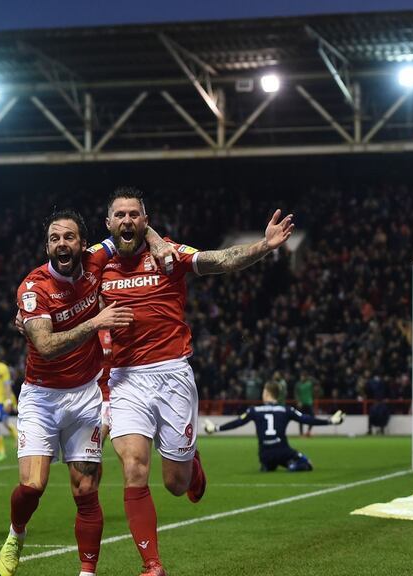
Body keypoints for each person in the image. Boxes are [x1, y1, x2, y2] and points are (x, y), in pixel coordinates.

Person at [100, 187, 293, 576]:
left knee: (175, 483)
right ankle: (152, 565)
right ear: (109, 223)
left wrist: (265, 245)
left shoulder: (169, 255)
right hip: (125, 380)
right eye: (119, 214)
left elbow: (219, 260)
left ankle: (192, 463)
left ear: (145, 220)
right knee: (134, 467)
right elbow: (60, 280)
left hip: (172, 375)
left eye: (134, 214)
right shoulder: (95, 265)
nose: (127, 220)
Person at [0, 209, 160, 576]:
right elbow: (46, 345)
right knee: (33, 486)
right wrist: (96, 322)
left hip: (85, 396)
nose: (61, 244)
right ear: (47, 246)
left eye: (68, 237)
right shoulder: (33, 288)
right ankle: (16, 532)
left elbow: (130, 228)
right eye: (54, 239)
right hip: (41, 398)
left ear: (82, 243)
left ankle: (87, 572)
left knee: (86, 491)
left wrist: (159, 241)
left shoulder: (96, 260)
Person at [203, 381, 343, 471]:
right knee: (307, 463)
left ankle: (268, 466)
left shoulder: (254, 410)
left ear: (267, 393)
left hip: (264, 454)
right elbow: (306, 419)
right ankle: (293, 466)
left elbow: (238, 422)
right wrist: (330, 421)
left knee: (269, 462)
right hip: (283, 451)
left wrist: (216, 428)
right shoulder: (287, 410)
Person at [294, 371, 316, 436]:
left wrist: (310, 378)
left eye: (303, 376)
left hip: (309, 403)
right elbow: (296, 394)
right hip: (301, 404)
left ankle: (308, 431)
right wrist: (298, 401)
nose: (302, 378)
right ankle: (301, 433)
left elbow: (316, 382)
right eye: (301, 376)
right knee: (300, 418)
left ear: (306, 377)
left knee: (313, 418)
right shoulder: (298, 384)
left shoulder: (310, 383)